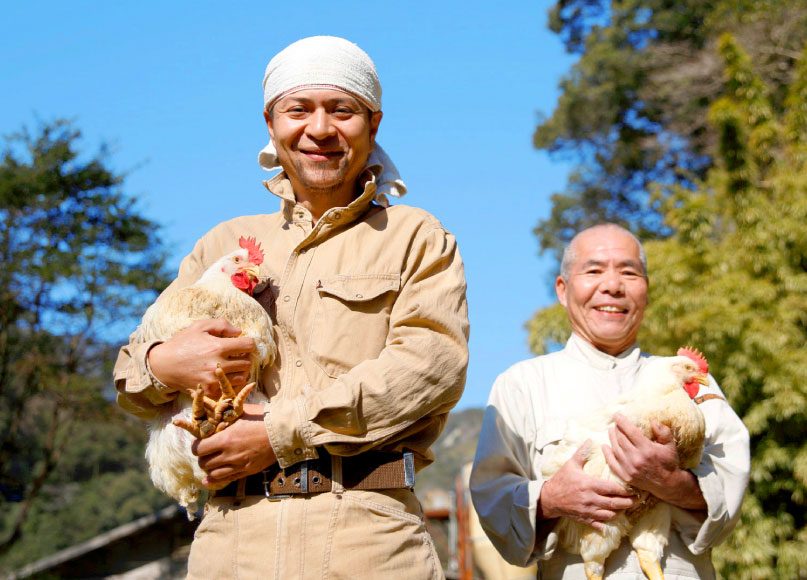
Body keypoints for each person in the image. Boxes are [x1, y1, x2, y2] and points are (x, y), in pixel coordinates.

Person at [113, 36, 469, 579]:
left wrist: (279, 433)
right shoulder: (221, 244)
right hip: (231, 547)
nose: (319, 129)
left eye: (342, 110)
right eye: (298, 110)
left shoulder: (414, 237)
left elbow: (430, 368)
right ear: (270, 123)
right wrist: (165, 363)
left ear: (373, 123)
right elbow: (129, 377)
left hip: (370, 542)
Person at [470, 224, 749, 579]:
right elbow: (491, 497)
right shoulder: (521, 385)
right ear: (562, 289)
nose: (613, 285)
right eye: (594, 271)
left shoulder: (688, 382)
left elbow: (731, 489)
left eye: (629, 273)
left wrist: (671, 482)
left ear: (646, 290)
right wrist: (550, 498)